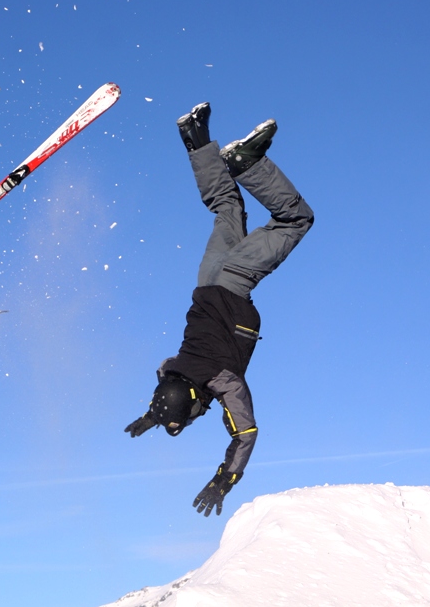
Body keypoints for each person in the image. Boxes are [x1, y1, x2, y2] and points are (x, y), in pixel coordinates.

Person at [124, 102, 314, 516]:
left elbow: (245, 432)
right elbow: (171, 381)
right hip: (207, 280)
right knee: (226, 208)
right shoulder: (173, 366)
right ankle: (195, 136)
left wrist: (225, 479)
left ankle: (247, 163)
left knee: (295, 220)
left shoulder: (223, 380)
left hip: (233, 281)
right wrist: (158, 413)